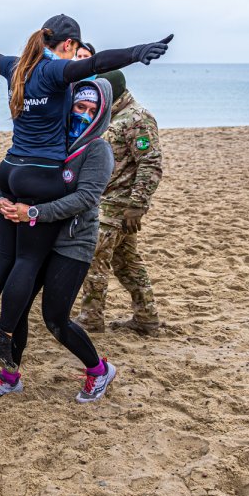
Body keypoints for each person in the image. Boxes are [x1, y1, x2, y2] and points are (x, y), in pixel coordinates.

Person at [0, 14, 172, 373]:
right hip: (40, 175)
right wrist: (137, 51)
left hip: (10, 167)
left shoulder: (16, 67)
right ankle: (4, 337)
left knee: (4, 256)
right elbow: (99, 63)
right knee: (27, 261)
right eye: (75, 51)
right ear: (69, 45)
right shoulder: (55, 72)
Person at [0, 78, 115, 403]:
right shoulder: (50, 138)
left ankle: (98, 369)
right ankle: (9, 376)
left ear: (102, 114)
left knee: (56, 319)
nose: (84, 114)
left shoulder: (98, 149)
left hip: (72, 241)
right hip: (36, 237)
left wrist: (34, 212)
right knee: (16, 307)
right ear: (69, 105)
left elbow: (85, 198)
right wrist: (0, 201)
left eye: (93, 110)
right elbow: (12, 177)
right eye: (80, 106)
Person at [76, 70, 163, 335]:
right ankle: (146, 319)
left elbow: (150, 162)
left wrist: (137, 205)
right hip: (107, 202)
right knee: (126, 263)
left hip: (117, 206)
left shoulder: (137, 117)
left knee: (95, 261)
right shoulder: (112, 116)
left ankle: (90, 320)